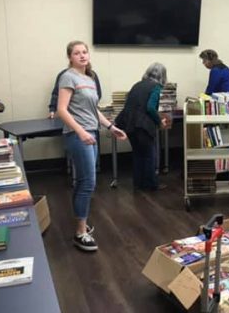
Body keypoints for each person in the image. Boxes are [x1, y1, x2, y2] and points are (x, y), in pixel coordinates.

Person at [56, 40, 127, 252]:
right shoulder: (67, 76)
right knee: (88, 183)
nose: (82, 55)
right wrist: (80, 131)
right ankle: (80, 233)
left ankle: (82, 223)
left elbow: (93, 109)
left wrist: (110, 126)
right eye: (77, 53)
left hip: (91, 133)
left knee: (84, 182)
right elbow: (62, 109)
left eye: (84, 52)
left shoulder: (90, 78)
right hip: (78, 135)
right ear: (70, 57)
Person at [114, 63, 170, 191]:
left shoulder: (137, 85)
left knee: (138, 154)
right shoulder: (156, 87)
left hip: (129, 124)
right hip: (143, 126)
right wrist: (160, 121)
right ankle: (151, 184)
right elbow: (150, 107)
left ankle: (138, 183)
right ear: (163, 76)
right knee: (150, 155)